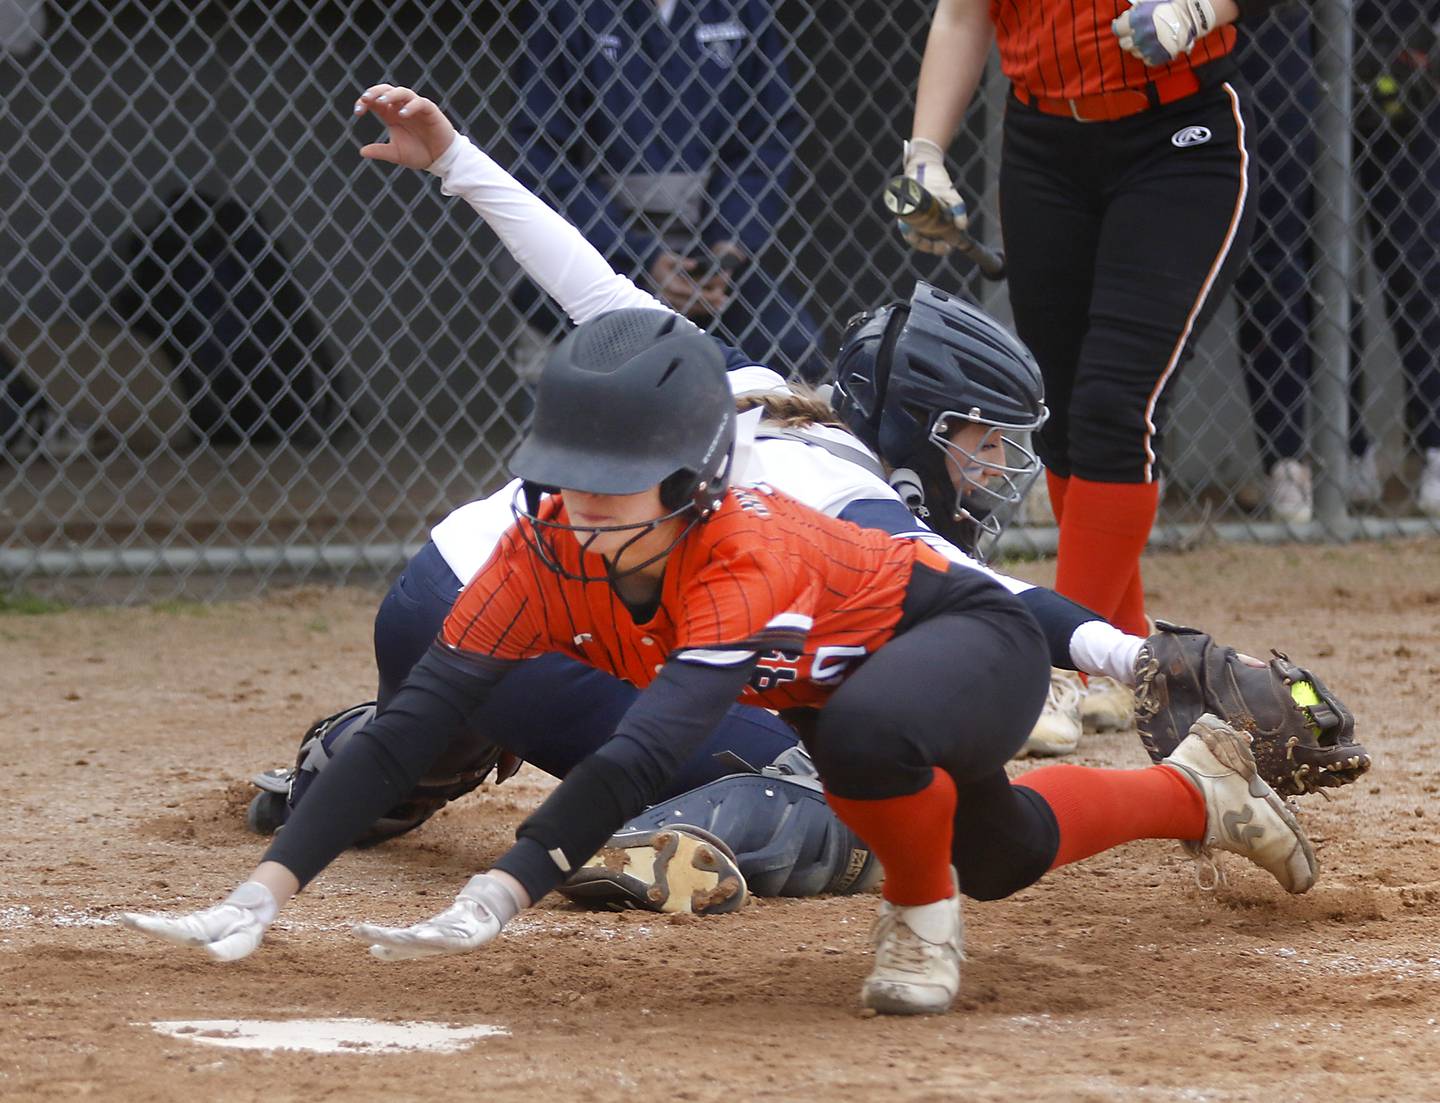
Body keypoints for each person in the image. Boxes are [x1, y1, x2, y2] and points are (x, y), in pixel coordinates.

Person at [120, 85, 1319, 1020]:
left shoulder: (726, 385)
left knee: (872, 752)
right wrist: (1138, 651)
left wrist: (456, 162)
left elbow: (591, 285)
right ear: (908, 424)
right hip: (568, 624)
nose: (990, 471)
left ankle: (418, 747)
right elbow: (980, 596)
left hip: (445, 592)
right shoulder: (819, 492)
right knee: (842, 774)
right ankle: (673, 828)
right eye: (971, 442)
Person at [894, 0, 1301, 728]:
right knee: (1061, 414)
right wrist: (925, 152)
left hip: (1180, 136)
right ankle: (1128, 659)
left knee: (1116, 409)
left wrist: (1202, 8)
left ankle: (1058, 674)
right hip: (1044, 143)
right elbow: (961, 16)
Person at [506, 0, 824, 384]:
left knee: (793, 349)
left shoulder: (742, 9)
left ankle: (743, 441)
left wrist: (727, 250)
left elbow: (766, 139)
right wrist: (641, 258)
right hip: (599, 255)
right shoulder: (565, 10)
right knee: (597, 374)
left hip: (708, 259)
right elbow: (544, 156)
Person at [1231, 4, 1440, 521]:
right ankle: (1311, 456)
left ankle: (1432, 446)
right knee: (1280, 252)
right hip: (1279, 29)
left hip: (1396, 32)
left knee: (1415, 256)